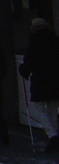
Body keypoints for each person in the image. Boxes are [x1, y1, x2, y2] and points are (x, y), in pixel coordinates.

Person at [20, 16, 59, 152]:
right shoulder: (55, 40)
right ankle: (54, 137)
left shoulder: (34, 42)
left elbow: (29, 61)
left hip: (41, 80)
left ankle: (52, 136)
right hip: (55, 80)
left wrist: (24, 70)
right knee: (52, 109)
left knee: (39, 108)